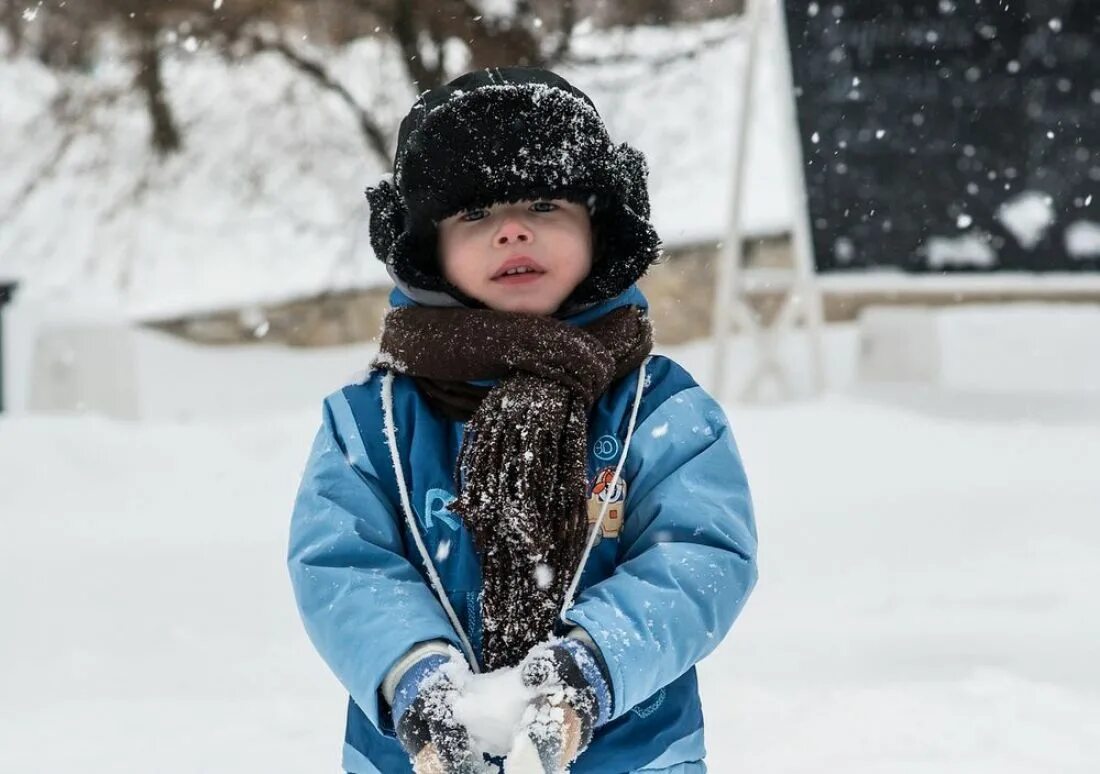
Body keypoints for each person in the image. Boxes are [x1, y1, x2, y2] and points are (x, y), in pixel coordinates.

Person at [287, 66, 758, 774]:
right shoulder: (372, 425)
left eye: (543, 203)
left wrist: (588, 666)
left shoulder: (659, 409)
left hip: (629, 754)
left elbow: (699, 559)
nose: (511, 232)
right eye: (473, 215)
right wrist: (415, 676)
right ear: (428, 249)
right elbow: (342, 565)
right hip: (425, 755)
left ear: (599, 229)